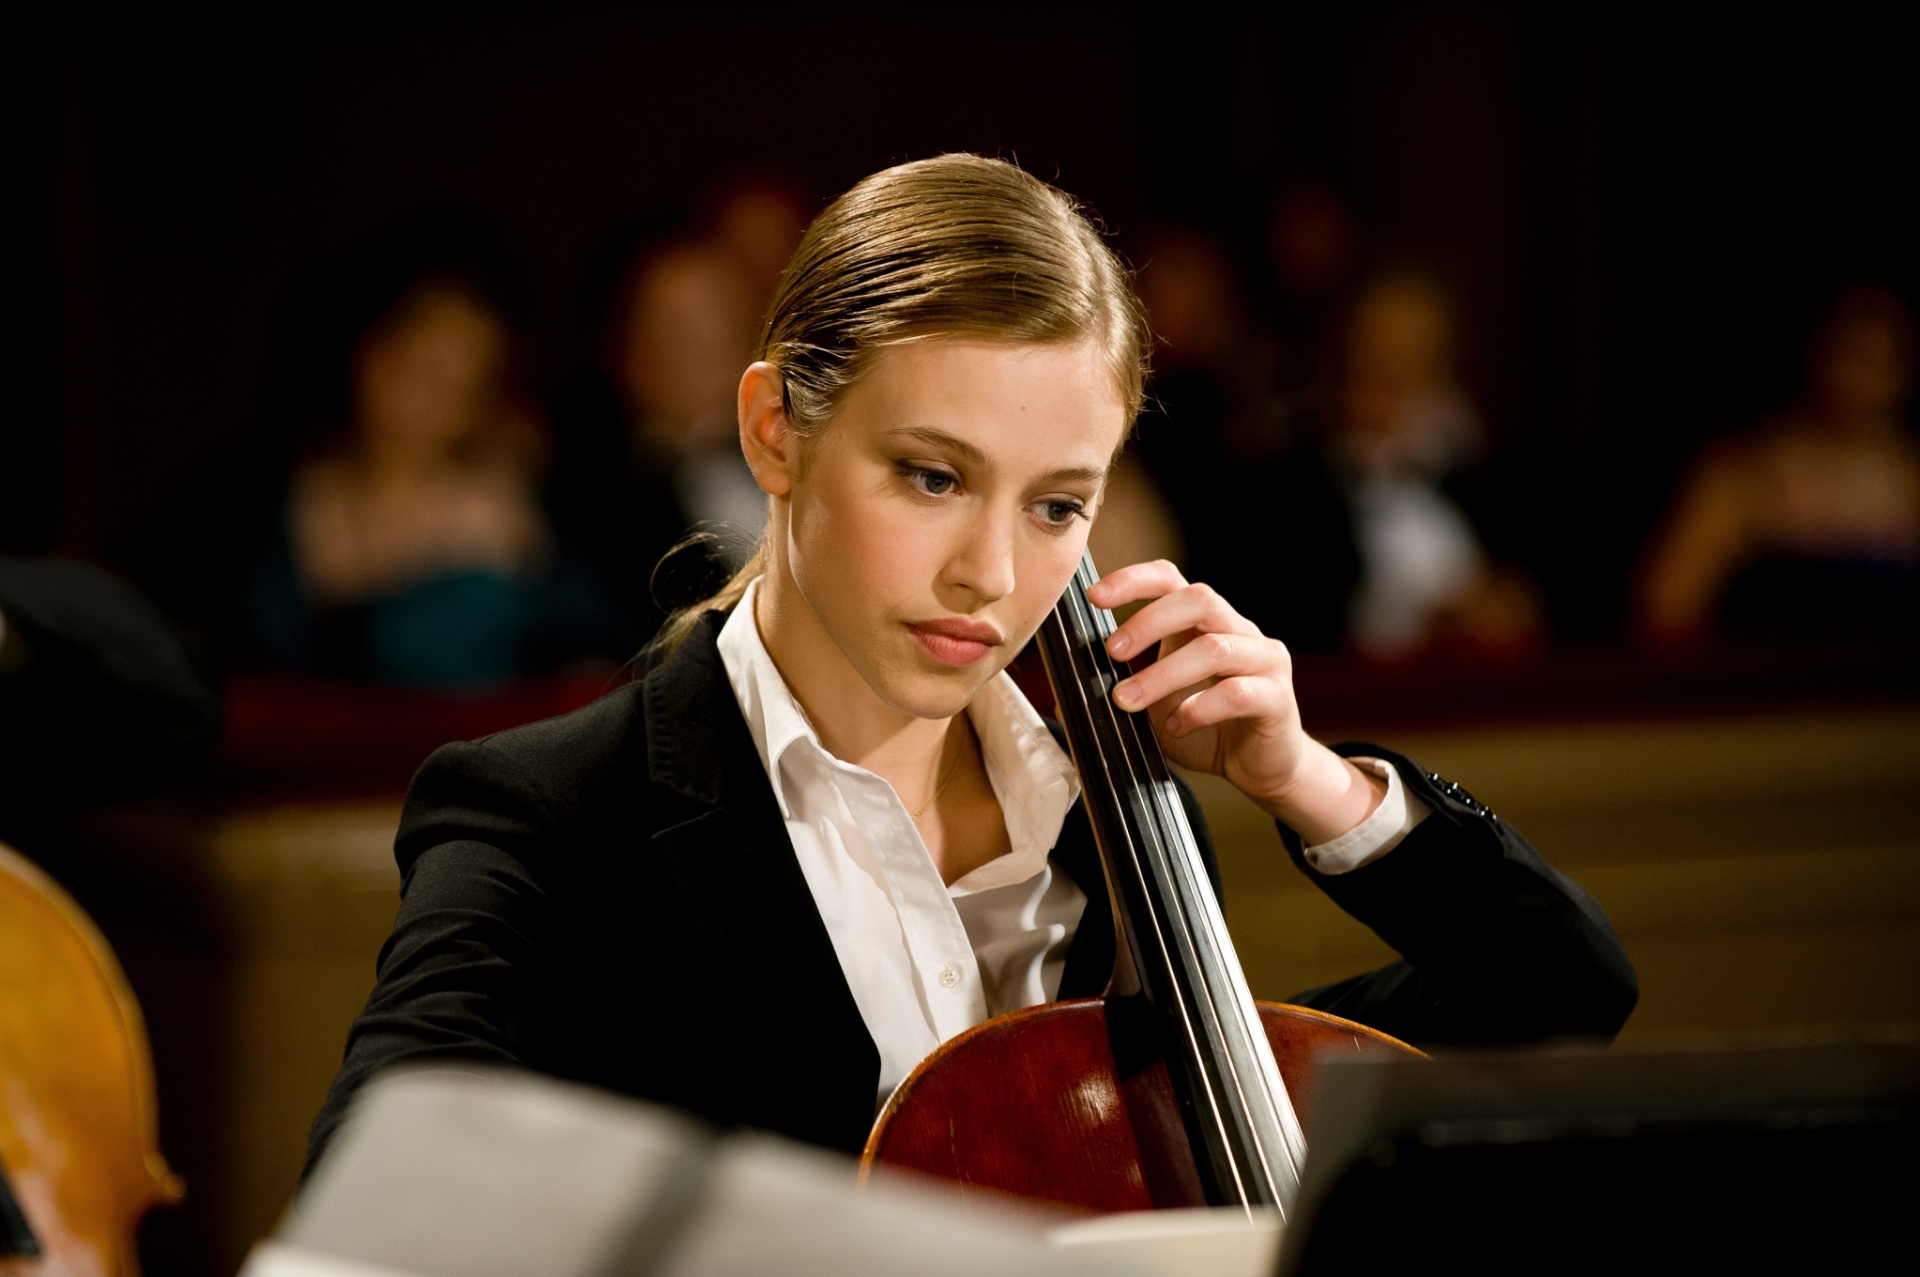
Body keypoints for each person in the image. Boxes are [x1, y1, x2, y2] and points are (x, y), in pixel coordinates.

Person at [307, 156, 1635, 1172]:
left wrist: (1308, 782)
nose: (992, 576)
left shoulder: (1110, 828)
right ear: (776, 431)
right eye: (934, 477)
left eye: (1058, 504)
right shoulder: (546, 815)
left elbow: (1557, 995)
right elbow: (375, 1199)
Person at [247, 231, 618, 689]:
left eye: (458, 380)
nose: (425, 395)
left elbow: (593, 653)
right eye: (417, 364)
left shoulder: (506, 510)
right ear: (369, 354)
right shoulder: (287, 499)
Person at [1638, 284, 1920, 648]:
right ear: (1813, 354)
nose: (1860, 381)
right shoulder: (1741, 477)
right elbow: (1666, 609)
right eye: (1851, 355)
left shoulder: (1912, 481)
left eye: (1884, 362)